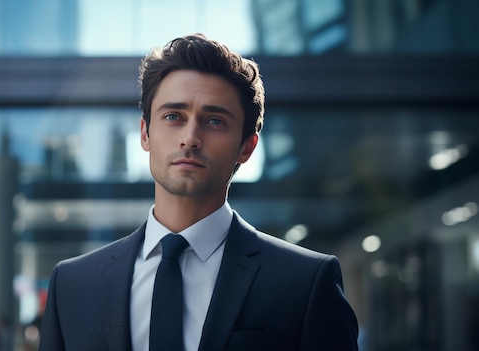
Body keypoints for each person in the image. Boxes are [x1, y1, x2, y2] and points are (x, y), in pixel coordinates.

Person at [39, 33, 358, 350]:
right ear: (145, 134)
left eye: (215, 121)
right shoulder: (73, 284)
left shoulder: (305, 281)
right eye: (173, 116)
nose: (190, 138)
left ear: (247, 147)